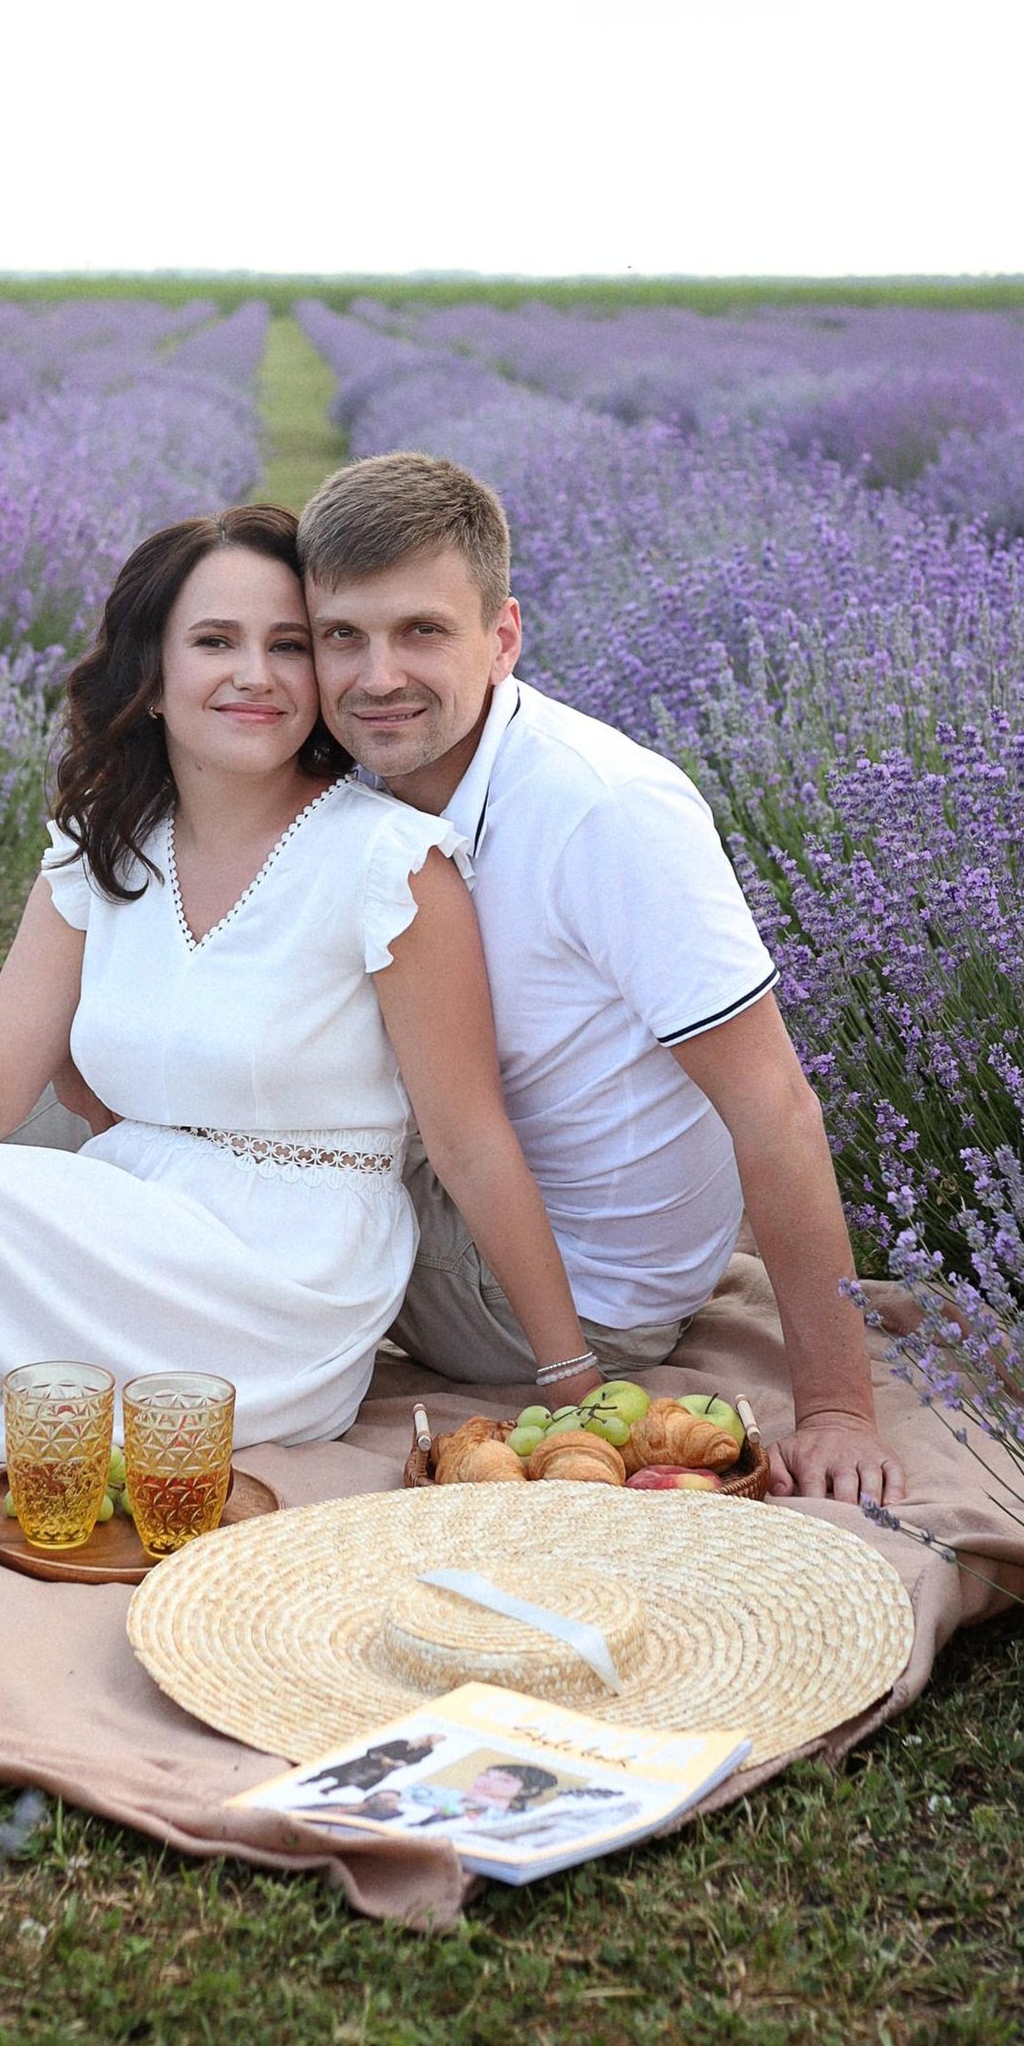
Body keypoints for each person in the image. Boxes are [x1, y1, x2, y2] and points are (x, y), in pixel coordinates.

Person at [0, 503, 599, 1458]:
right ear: (156, 680)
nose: (255, 674)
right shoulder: (103, 848)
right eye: (216, 641)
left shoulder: (391, 864)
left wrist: (571, 1380)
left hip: (288, 1278)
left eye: (288, 645)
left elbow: (470, 1144)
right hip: (123, 1217)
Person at [293, 451, 900, 1507]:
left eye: (421, 632)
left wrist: (838, 1407)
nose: (375, 676)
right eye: (342, 636)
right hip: (491, 1198)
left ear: (504, 638)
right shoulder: (380, 776)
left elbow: (775, 1108)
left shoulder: (602, 809)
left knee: (146, 1119)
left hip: (559, 1297)